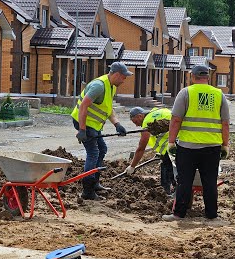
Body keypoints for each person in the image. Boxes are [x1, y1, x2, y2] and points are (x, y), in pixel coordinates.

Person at [162, 64, 230, 221]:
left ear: (192, 77)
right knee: (210, 183)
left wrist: (171, 142)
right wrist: (225, 145)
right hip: (212, 148)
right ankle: (212, 216)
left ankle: (179, 214)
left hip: (187, 147)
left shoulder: (186, 93)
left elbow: (176, 119)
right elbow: (225, 123)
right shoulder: (219, 95)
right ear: (207, 77)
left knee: (184, 181)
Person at [71, 61, 133, 200]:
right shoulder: (98, 86)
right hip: (84, 123)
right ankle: (87, 191)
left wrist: (117, 124)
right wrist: (82, 130)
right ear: (117, 75)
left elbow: (107, 108)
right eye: (124, 77)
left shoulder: (111, 86)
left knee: (102, 149)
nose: (124, 80)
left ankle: (95, 183)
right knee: (93, 152)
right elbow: (83, 107)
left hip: (94, 125)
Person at [126, 106, 176, 195]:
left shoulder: (147, 122)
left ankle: (171, 194)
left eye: (136, 122)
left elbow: (141, 148)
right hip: (182, 143)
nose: (137, 125)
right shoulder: (161, 111)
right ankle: (168, 191)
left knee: (170, 170)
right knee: (171, 168)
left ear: (140, 116)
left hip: (171, 147)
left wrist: (132, 166)